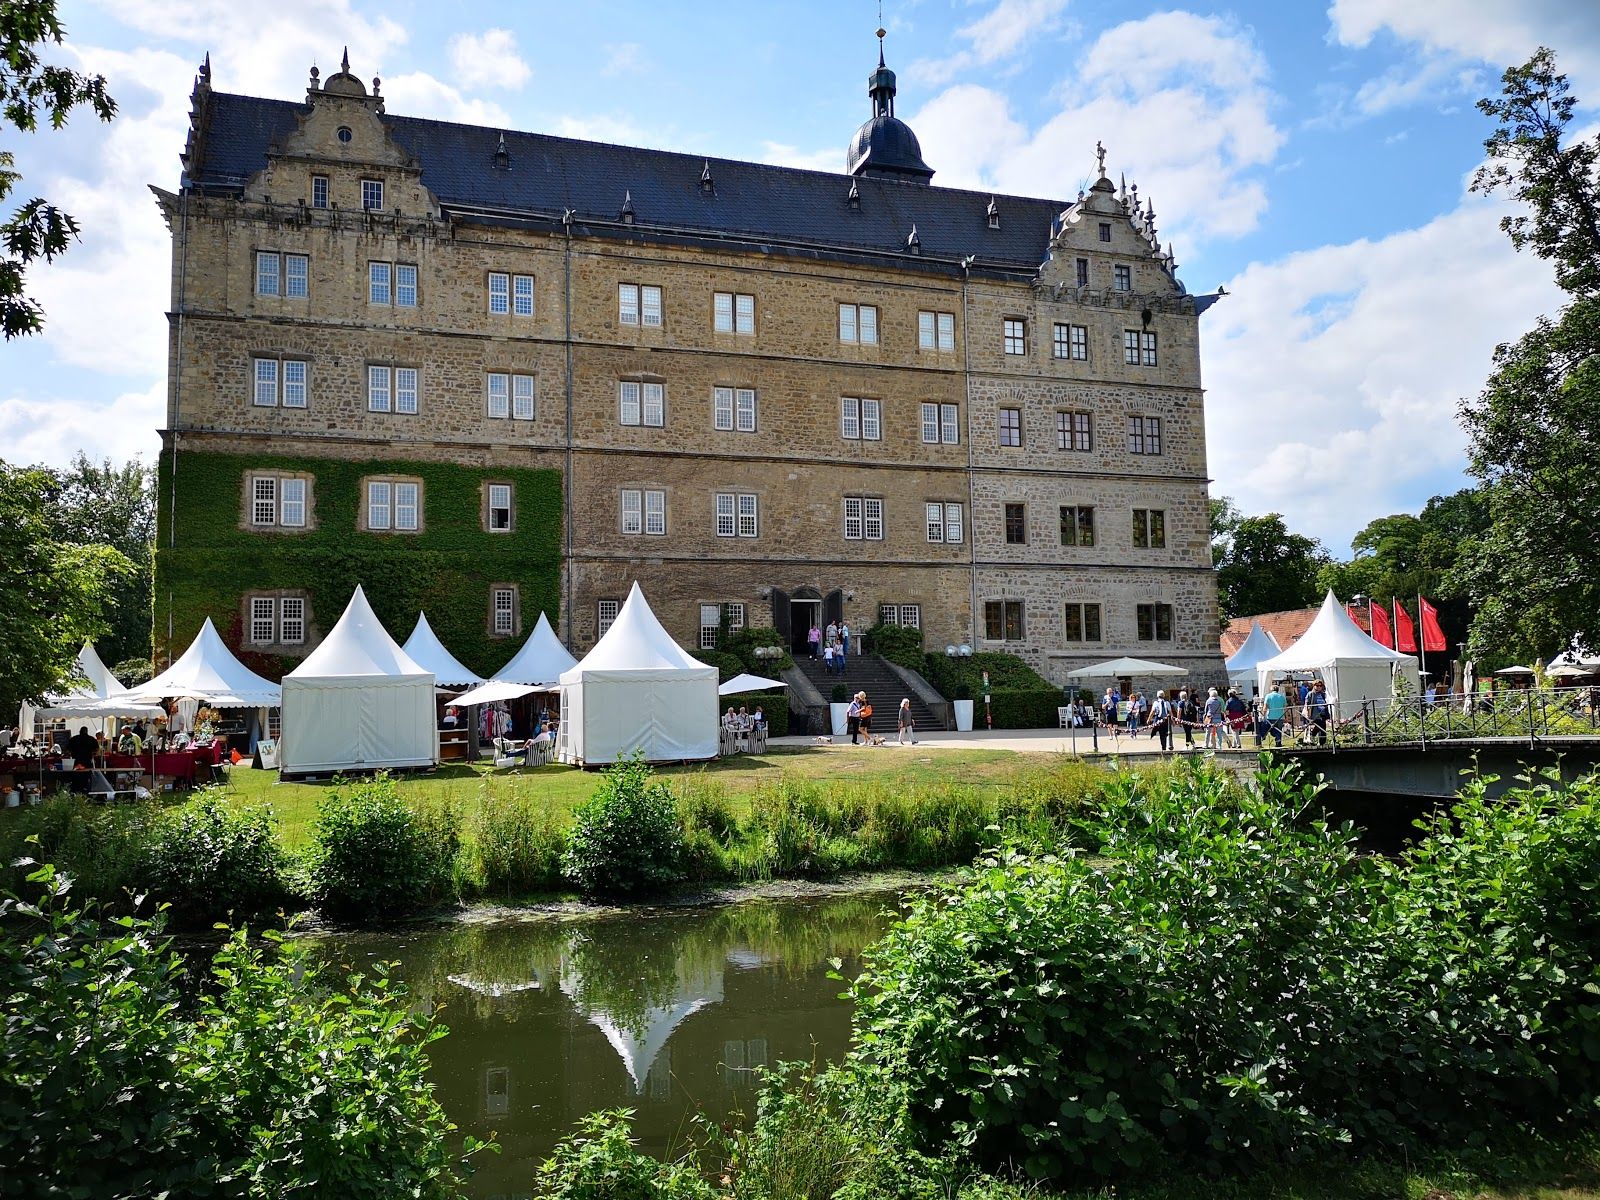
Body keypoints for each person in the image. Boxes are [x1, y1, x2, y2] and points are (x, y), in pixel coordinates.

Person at [1306, 679, 1330, 744]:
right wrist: (1308, 715)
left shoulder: (1323, 694)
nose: (1319, 687)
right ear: (1314, 686)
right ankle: (1312, 735)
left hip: (1323, 713)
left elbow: (1326, 703)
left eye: (1320, 685)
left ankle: (1322, 743)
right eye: (1317, 685)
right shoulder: (1311, 694)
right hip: (1315, 714)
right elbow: (1307, 704)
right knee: (1319, 725)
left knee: (1323, 729)